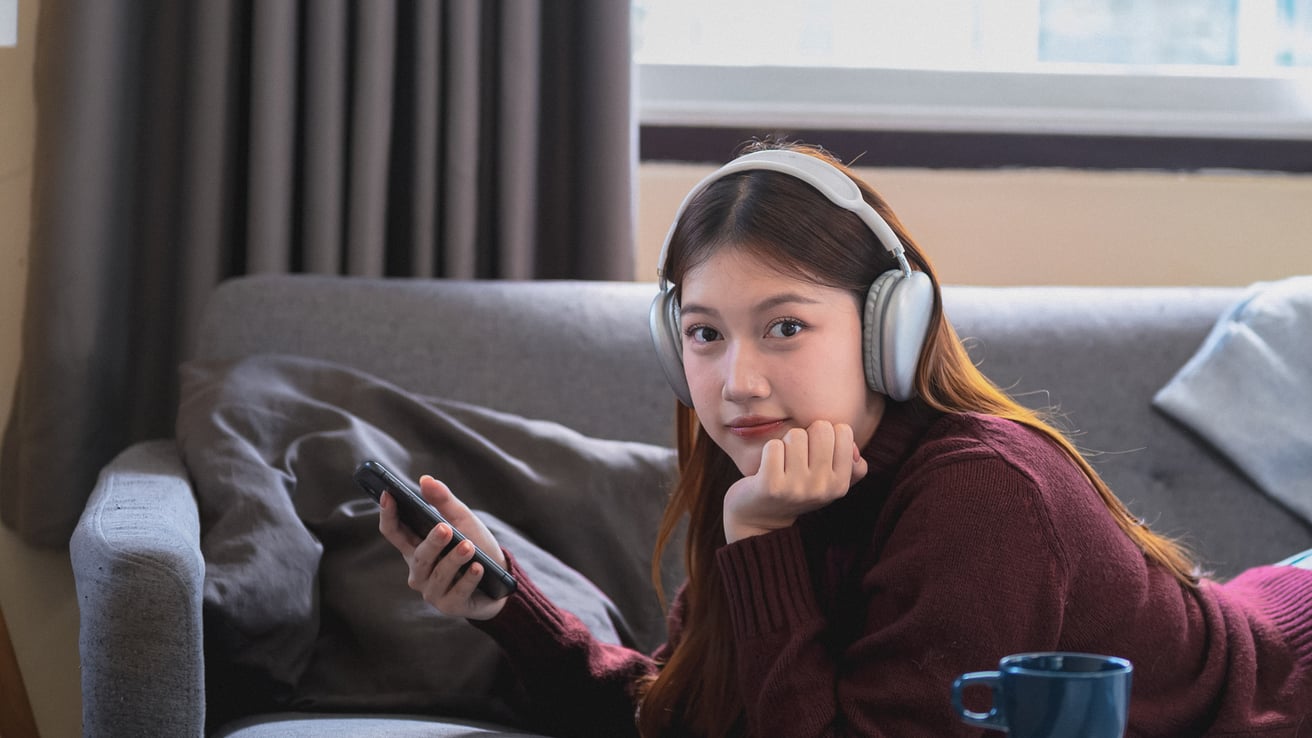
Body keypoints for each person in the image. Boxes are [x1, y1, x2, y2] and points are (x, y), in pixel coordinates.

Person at [379, 141, 1312, 737]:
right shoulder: (774, 482)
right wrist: (503, 603)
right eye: (704, 333)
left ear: (886, 331)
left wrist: (758, 545)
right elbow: (691, 711)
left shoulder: (982, 494)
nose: (737, 379)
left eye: (785, 326)